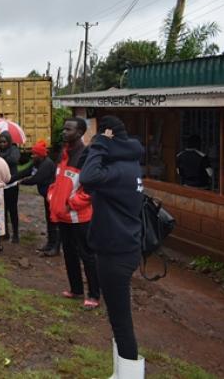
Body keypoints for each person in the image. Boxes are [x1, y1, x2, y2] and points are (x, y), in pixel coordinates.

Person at [80, 116, 146, 378]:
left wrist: (98, 144)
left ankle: (129, 375)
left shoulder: (118, 170)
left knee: (121, 321)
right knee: (118, 319)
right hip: (122, 247)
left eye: (97, 135)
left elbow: (87, 176)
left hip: (116, 253)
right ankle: (121, 373)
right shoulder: (129, 165)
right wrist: (101, 145)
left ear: (108, 136)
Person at [46, 117, 100, 310]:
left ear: (79, 133)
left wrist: (72, 203)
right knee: (69, 253)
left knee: (87, 255)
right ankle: (76, 289)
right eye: (64, 128)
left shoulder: (87, 155)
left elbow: (91, 188)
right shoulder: (64, 153)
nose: (64, 132)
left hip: (80, 217)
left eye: (68, 129)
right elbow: (57, 179)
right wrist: (52, 196)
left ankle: (94, 295)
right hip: (63, 216)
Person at [18, 140, 59, 256]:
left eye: (35, 154)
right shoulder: (37, 162)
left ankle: (55, 247)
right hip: (47, 196)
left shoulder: (47, 164)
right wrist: (11, 178)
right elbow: (25, 172)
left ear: (40, 155)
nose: (32, 155)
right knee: (49, 220)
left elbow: (36, 179)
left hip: (53, 197)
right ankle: (50, 244)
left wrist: (21, 182)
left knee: (53, 222)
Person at [0, 131, 21, 243]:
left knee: (13, 209)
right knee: (2, 209)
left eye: (4, 142)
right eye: (0, 142)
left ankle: (15, 233)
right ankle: (5, 232)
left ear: (9, 142)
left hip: (12, 184)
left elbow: (13, 160)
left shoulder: (14, 149)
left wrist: (0, 158)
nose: (2, 144)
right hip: (0, 184)